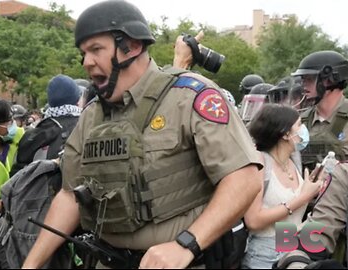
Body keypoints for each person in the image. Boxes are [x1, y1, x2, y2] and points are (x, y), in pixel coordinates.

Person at [22, 1, 262, 268]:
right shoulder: (92, 115)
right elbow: (70, 196)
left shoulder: (189, 97)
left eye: (96, 50)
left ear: (132, 46)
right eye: (84, 52)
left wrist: (187, 244)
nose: (87, 62)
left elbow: (244, 178)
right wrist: (30, 265)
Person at [241, 104, 322, 269]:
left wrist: (311, 189)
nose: (303, 130)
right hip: (265, 253)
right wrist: (302, 198)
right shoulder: (260, 164)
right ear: (285, 133)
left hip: (296, 244)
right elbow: (253, 220)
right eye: (299, 125)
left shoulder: (294, 161)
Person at [11, 74, 81, 176]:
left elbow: (16, 174)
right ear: (77, 100)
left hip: (34, 190)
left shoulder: (31, 134)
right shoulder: (84, 126)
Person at [291, 50, 348, 170]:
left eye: (310, 79)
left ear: (330, 80)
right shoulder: (299, 122)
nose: (304, 85)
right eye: (303, 79)